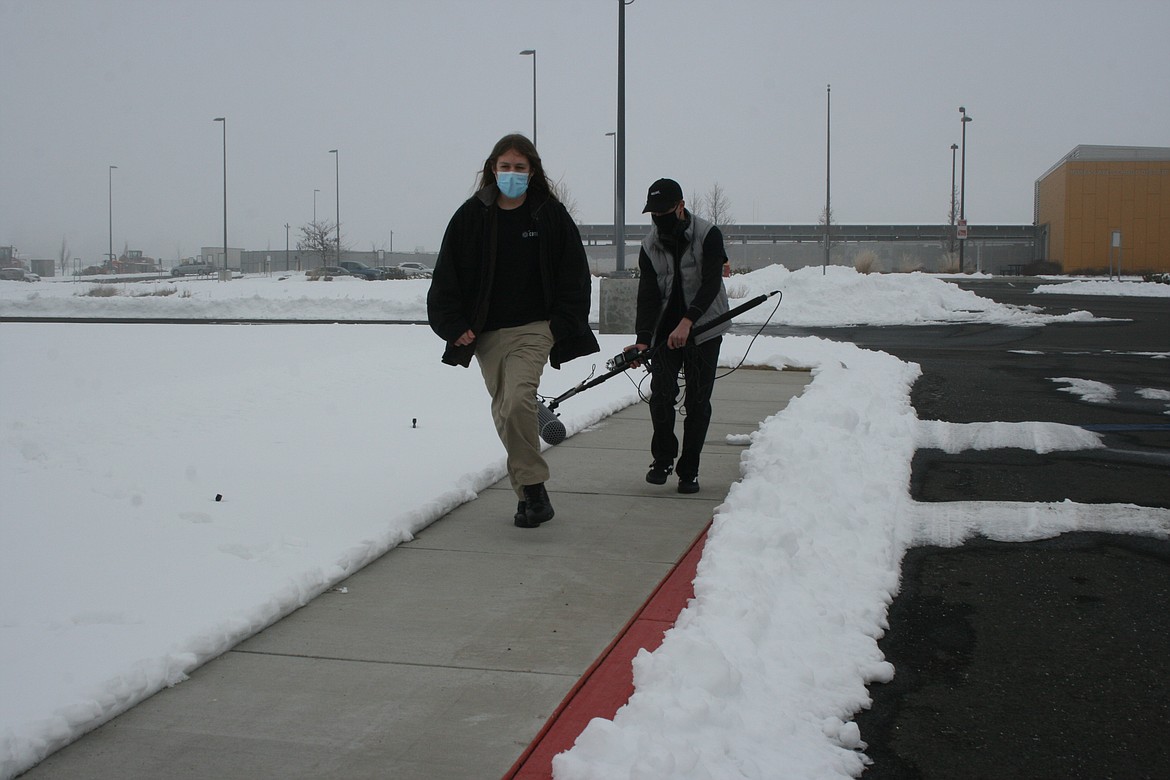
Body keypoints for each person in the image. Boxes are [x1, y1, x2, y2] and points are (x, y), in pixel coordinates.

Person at [427, 134, 599, 528]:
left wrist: (560, 324)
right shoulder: (471, 216)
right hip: (486, 335)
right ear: (492, 169)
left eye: (519, 168)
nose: (511, 174)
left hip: (535, 329)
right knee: (506, 411)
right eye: (505, 167)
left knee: (518, 399)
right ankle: (527, 496)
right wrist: (454, 326)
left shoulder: (548, 215)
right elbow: (446, 278)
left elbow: (575, 276)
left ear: (532, 171)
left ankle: (535, 489)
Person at [629, 178, 730, 494]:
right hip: (665, 332)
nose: (658, 218)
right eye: (653, 213)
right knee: (660, 394)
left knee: (698, 401)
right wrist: (643, 339)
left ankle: (690, 470)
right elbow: (647, 294)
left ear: (681, 206)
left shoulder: (708, 235)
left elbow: (712, 282)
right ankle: (662, 460)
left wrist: (688, 321)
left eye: (664, 211)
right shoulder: (649, 246)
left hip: (704, 328)